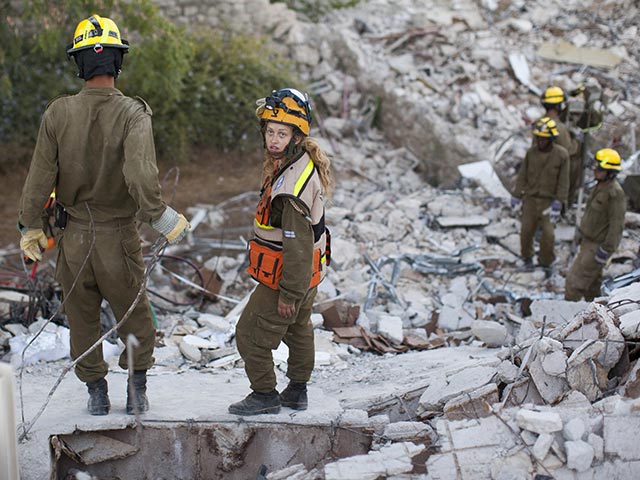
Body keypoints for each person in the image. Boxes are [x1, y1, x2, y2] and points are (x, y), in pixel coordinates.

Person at [18, 14, 190, 416]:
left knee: (82, 318)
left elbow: (38, 179)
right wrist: (160, 217)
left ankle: (96, 395)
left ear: (79, 64)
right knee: (135, 318)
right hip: (119, 237)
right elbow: (139, 173)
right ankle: (135, 393)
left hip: (73, 238)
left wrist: (30, 229)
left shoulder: (57, 113)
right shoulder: (133, 113)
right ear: (117, 62)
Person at [229, 88, 333, 416]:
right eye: (270, 132)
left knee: (248, 333)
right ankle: (297, 392)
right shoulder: (299, 163)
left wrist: (289, 293)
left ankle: (264, 395)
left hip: (288, 278)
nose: (274, 140)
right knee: (299, 328)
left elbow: (297, 245)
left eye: (282, 134)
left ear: (296, 136)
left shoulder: (290, 188)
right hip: (310, 275)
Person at [565, 149, 626, 301]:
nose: (595, 171)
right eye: (596, 167)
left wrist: (606, 250)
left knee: (573, 283)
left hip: (597, 246)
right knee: (592, 286)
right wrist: (580, 233)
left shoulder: (614, 193)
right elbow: (590, 215)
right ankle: (595, 316)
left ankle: (565, 319)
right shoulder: (599, 187)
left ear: (610, 171)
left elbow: (616, 226)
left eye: (600, 169)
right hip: (588, 241)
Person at [511, 117, 570, 274]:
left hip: (548, 202)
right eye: (539, 138)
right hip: (530, 200)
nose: (541, 142)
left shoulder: (562, 155)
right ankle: (527, 258)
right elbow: (522, 175)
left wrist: (559, 202)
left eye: (544, 139)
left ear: (551, 139)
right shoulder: (531, 153)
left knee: (548, 234)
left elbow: (564, 182)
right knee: (526, 231)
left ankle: (546, 262)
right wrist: (516, 196)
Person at [541, 86, 582, 206]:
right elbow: (569, 150)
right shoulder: (559, 128)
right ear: (559, 106)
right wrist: (578, 140)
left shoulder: (540, 122)